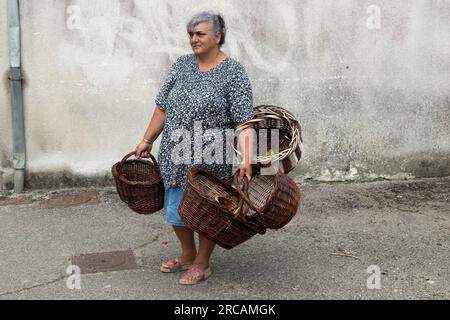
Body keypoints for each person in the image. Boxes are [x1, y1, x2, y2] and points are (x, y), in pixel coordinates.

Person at [135, 11, 254, 285]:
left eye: (199, 34)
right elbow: (162, 107)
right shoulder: (181, 65)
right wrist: (147, 139)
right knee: (176, 208)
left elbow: (244, 121)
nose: (193, 39)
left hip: (210, 159)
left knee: (208, 211)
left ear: (217, 36)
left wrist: (246, 158)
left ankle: (203, 262)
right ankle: (188, 254)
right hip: (175, 154)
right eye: (191, 34)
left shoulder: (233, 72)